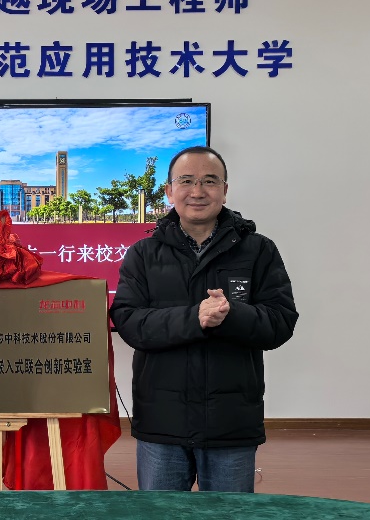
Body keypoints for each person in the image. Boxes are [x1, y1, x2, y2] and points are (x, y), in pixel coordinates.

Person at [110, 145, 298, 492]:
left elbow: (280, 322)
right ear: (169, 191)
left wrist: (231, 314)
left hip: (231, 423)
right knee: (161, 516)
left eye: (209, 181)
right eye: (186, 181)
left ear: (225, 190)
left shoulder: (258, 250)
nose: (197, 191)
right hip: (162, 422)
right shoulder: (143, 254)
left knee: (228, 516)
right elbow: (129, 322)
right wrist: (194, 317)